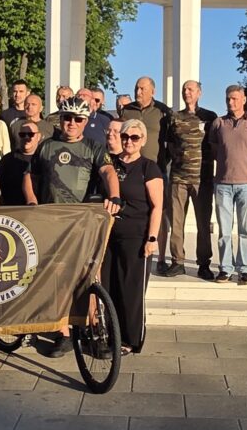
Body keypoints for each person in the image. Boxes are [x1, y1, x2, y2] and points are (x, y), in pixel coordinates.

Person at [22, 98, 121, 358]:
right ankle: (62, 333)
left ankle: (95, 330)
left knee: (90, 275)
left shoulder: (93, 147)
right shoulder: (46, 146)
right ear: (61, 119)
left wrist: (115, 196)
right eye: (67, 118)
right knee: (57, 277)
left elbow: (108, 172)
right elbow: (29, 176)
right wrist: (31, 201)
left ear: (85, 122)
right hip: (52, 221)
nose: (72, 123)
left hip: (82, 221)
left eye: (78, 119)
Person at [105, 118, 163, 355]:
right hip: (108, 235)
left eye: (135, 137)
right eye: (125, 136)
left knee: (130, 289)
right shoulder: (111, 164)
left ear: (143, 140)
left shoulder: (149, 168)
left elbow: (157, 206)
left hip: (136, 235)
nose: (129, 141)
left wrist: (152, 238)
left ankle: (130, 339)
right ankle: (111, 334)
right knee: (109, 287)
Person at [208, 85, 247, 285]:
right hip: (223, 183)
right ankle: (225, 268)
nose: (230, 102)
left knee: (245, 229)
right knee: (224, 229)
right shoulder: (218, 123)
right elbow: (214, 149)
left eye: (234, 98)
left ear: (244, 99)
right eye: (228, 98)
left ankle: (245, 269)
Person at [162, 80, 218, 279]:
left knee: (203, 224)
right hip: (178, 178)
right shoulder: (174, 118)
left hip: (202, 179)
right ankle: (177, 261)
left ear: (199, 93)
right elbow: (169, 144)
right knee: (177, 223)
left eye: (191, 89)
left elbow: (216, 145)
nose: (187, 92)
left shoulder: (210, 117)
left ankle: (204, 263)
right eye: (184, 89)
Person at [118, 77, 172, 172]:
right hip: (130, 168)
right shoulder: (126, 110)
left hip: (156, 168)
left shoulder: (162, 111)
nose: (138, 92)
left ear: (152, 92)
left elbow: (172, 140)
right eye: (136, 88)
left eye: (142, 89)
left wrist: (164, 160)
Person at [0, 120, 41, 207]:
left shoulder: (43, 160)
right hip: (12, 209)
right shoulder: (7, 160)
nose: (26, 137)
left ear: (39, 136)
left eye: (30, 134)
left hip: (39, 210)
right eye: (22, 134)